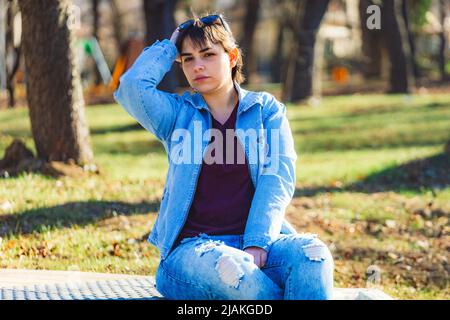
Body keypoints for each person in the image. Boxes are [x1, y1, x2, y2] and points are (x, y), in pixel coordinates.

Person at [114, 13, 334, 300]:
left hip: (258, 242)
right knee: (234, 270)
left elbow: (276, 178)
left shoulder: (265, 111)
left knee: (313, 256)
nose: (197, 65)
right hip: (193, 251)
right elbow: (132, 87)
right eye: (188, 58)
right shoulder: (177, 115)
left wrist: (257, 243)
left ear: (231, 58)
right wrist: (169, 46)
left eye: (207, 54)